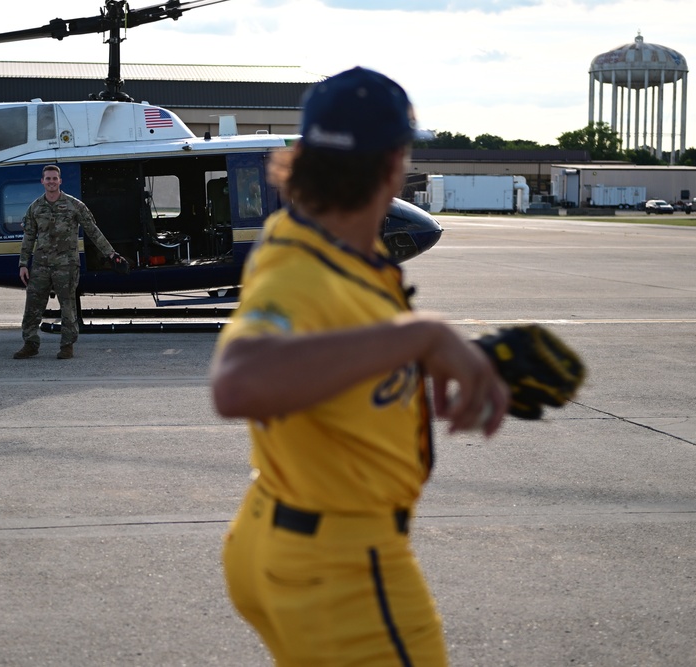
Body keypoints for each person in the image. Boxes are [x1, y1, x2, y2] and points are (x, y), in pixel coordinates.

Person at [209, 67, 510, 666]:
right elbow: (239, 382)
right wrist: (419, 334)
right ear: (395, 163)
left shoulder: (325, 240)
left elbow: (347, 350)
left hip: (277, 532)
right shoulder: (304, 265)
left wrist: (462, 360)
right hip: (344, 564)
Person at [14, 164, 123, 360]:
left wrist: (110, 254)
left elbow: (93, 231)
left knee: (67, 306)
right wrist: (23, 263)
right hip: (40, 265)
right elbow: (28, 237)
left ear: (60, 181)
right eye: (48, 179)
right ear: (42, 182)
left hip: (66, 265)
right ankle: (30, 344)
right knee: (33, 305)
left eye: (55, 178)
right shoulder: (35, 208)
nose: (51, 182)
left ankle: (67, 346)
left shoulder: (75, 205)